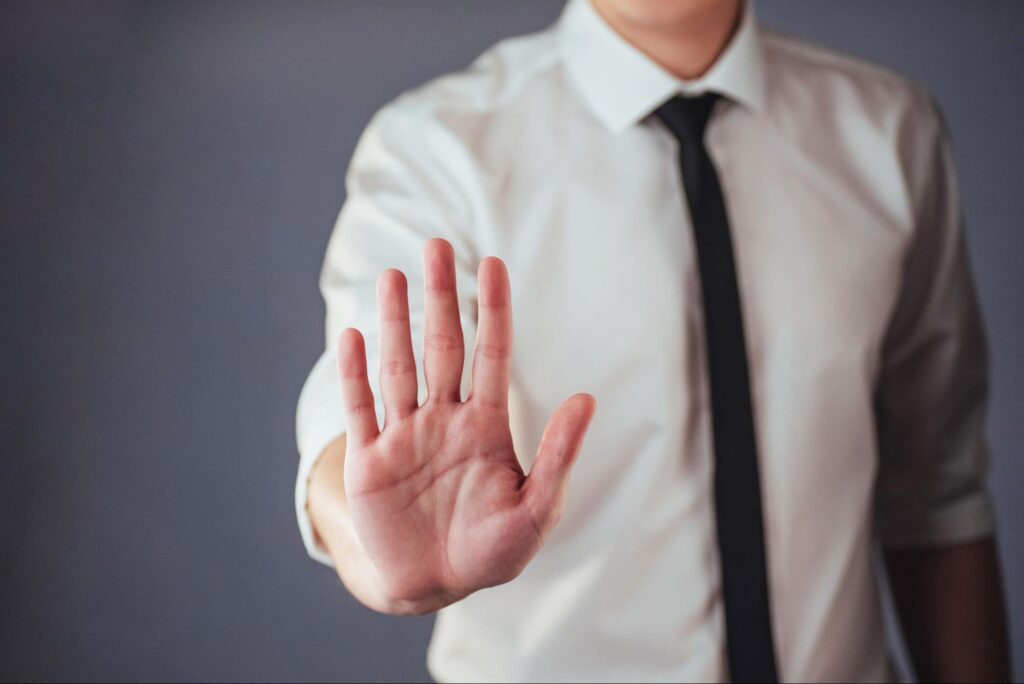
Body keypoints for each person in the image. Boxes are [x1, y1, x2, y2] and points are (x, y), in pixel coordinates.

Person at [294, 0, 1011, 681]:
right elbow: (366, 415)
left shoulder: (890, 133)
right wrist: (371, 544)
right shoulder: (437, 149)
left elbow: (938, 494)